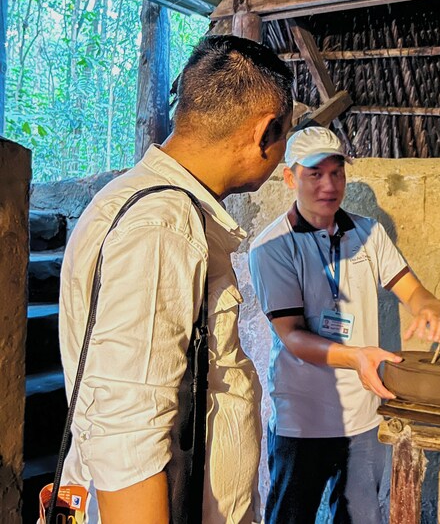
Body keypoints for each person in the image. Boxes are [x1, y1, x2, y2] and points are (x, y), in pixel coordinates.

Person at [58, 34, 293, 523]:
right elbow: (129, 435)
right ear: (265, 132)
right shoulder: (163, 227)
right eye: (286, 135)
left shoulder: (142, 200)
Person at [248, 126, 440, 523]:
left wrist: (431, 307)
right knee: (291, 516)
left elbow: (414, 291)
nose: (328, 185)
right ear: (290, 178)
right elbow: (293, 337)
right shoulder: (273, 247)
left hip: (363, 417)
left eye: (336, 172)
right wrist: (356, 356)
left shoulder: (368, 233)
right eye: (314, 174)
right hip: (302, 417)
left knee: (359, 516)